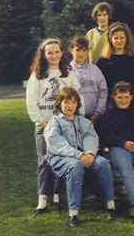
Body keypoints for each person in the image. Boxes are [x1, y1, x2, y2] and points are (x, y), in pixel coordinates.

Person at [26, 38, 83, 216]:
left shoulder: (68, 73)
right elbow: (31, 103)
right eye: (49, 52)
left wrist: (71, 119)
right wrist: (44, 122)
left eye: (57, 51)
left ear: (62, 52)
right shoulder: (37, 75)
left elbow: (77, 97)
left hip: (65, 124)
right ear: (43, 55)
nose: (54, 55)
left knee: (63, 157)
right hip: (44, 125)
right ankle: (43, 198)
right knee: (44, 161)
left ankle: (58, 194)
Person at [44, 87, 116, 227]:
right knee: (75, 166)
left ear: (77, 104)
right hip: (61, 159)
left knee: (102, 163)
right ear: (59, 104)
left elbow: (91, 137)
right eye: (66, 102)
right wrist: (79, 155)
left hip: (85, 156)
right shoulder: (54, 122)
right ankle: (73, 212)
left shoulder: (83, 121)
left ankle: (110, 205)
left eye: (73, 102)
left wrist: (89, 153)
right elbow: (57, 145)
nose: (70, 106)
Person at [97, 81, 134, 218]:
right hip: (118, 148)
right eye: (120, 97)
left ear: (132, 97)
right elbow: (106, 135)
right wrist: (122, 143)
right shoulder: (108, 115)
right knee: (125, 165)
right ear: (114, 98)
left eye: (126, 97)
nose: (123, 100)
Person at [96, 22, 134, 106]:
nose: (119, 41)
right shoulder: (103, 61)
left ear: (127, 38)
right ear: (110, 39)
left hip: (133, 103)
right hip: (110, 104)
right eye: (115, 38)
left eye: (122, 38)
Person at [69, 36, 108, 121]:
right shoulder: (66, 71)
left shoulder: (95, 70)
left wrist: (97, 114)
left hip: (94, 118)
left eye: (84, 50)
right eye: (78, 50)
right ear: (71, 50)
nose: (81, 53)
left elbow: (103, 92)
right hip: (72, 118)